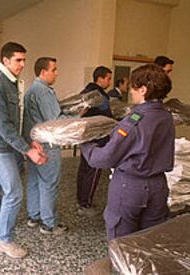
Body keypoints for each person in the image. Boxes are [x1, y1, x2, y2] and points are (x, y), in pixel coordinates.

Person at [80, 64, 174, 241]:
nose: (131, 91)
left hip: (130, 187)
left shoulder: (134, 121)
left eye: (134, 87)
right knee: (151, 241)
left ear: (144, 90)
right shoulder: (166, 116)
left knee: (122, 243)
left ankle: (122, 270)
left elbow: (105, 158)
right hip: (158, 186)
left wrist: (84, 143)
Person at [0, 42, 47, 259]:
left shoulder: (12, 81)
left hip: (4, 143)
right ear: (6, 60)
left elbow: (16, 119)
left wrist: (30, 140)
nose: (22, 64)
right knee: (14, 192)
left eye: (24, 60)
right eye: (18, 60)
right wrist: (27, 150)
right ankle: (4, 240)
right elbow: (3, 126)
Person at [22, 57, 68, 235]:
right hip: (47, 144)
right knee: (49, 183)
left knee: (34, 181)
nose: (56, 73)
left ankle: (34, 216)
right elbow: (55, 120)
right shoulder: (44, 92)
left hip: (34, 144)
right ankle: (49, 224)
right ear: (43, 72)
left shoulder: (31, 90)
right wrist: (81, 121)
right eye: (54, 70)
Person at [76, 66, 113, 216]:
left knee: (84, 169)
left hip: (86, 137)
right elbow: (107, 116)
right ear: (100, 78)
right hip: (98, 138)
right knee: (94, 170)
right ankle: (86, 205)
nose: (110, 82)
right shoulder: (99, 96)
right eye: (108, 78)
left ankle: (81, 200)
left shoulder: (86, 92)